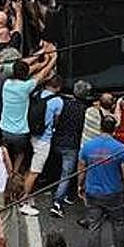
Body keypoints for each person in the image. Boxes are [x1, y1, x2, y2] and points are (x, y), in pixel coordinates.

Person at [77, 115, 124, 247]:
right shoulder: (120, 148)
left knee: (94, 227)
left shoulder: (87, 147)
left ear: (100, 128)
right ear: (114, 129)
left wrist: (80, 186)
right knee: (118, 224)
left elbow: (81, 170)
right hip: (114, 194)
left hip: (93, 193)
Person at [0, 56, 55, 176]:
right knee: (21, 153)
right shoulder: (26, 87)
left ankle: (5, 171)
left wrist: (40, 57)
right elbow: (42, 74)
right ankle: (14, 172)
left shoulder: (6, 84)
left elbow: (22, 68)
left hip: (4, 129)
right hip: (20, 132)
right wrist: (52, 59)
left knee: (5, 151)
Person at [19, 74, 63, 216]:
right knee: (35, 171)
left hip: (31, 133)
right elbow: (56, 120)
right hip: (44, 139)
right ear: (58, 87)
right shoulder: (58, 101)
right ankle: (23, 201)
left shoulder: (37, 94)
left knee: (29, 167)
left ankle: (24, 193)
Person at [48, 79, 87, 218]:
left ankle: (59, 192)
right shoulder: (84, 110)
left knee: (58, 169)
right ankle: (57, 203)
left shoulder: (64, 103)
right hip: (71, 146)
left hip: (57, 141)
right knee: (67, 174)